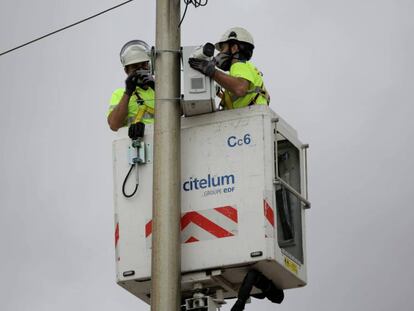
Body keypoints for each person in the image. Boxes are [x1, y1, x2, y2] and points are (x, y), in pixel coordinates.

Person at [189, 27, 270, 110]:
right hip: (252, 115)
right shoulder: (246, 68)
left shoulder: (238, 64)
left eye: (223, 48)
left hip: (253, 116)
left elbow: (240, 88)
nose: (220, 53)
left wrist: (212, 72)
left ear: (234, 48)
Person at [107, 40, 155, 131]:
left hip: (164, 140)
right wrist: (128, 92)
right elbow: (114, 125)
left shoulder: (163, 89)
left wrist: (157, 87)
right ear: (126, 70)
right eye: (135, 66)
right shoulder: (119, 94)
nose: (140, 69)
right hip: (135, 142)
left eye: (144, 64)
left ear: (149, 66)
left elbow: (180, 112)